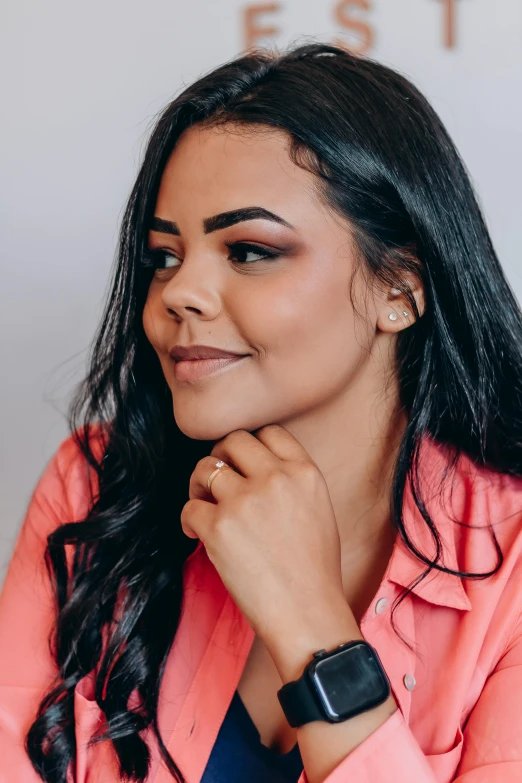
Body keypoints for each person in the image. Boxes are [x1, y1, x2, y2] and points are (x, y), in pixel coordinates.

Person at [1, 40, 522, 783]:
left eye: (248, 250)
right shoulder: (93, 490)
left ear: (399, 289)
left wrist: (313, 630)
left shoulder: (512, 569)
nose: (179, 293)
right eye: (164, 256)